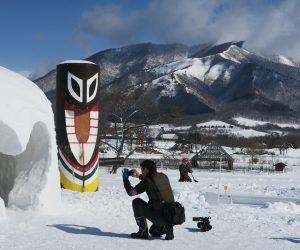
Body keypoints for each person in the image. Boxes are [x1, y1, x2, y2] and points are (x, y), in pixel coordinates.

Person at [122, 159, 175, 240]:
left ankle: (142, 232)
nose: (141, 171)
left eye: (142, 169)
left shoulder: (147, 181)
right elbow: (153, 182)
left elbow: (131, 192)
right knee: (153, 231)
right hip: (171, 216)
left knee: (136, 202)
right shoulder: (163, 176)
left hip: (160, 217)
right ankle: (168, 230)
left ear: (146, 169)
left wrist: (125, 179)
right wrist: (139, 176)